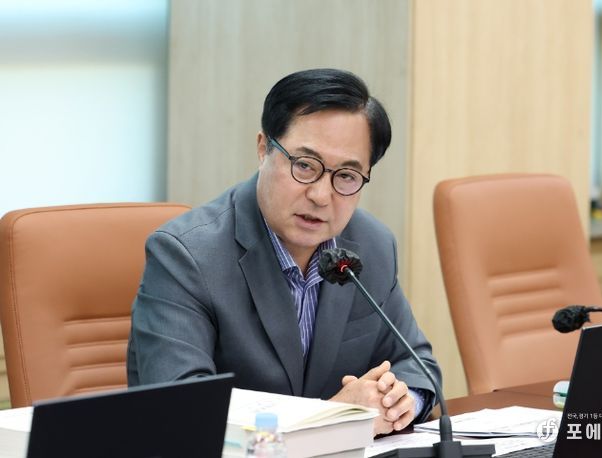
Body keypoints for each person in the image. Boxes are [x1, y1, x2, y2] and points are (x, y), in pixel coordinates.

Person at [127, 68, 441, 435]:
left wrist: (399, 402)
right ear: (263, 148)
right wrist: (331, 419)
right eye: (304, 165)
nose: (321, 196)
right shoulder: (187, 256)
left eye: (346, 176)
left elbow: (418, 364)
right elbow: (182, 412)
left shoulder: (372, 244)